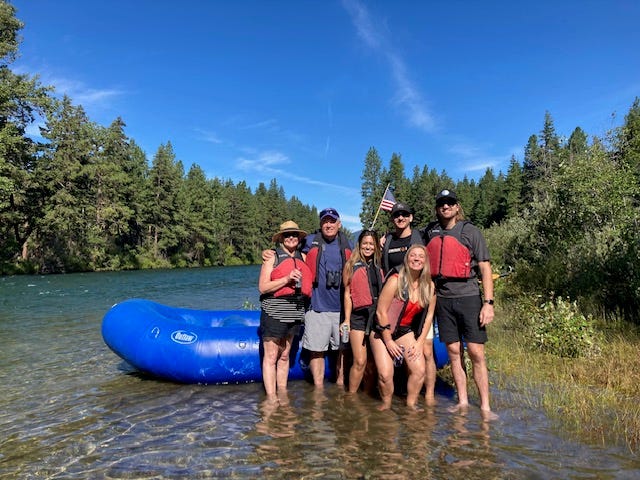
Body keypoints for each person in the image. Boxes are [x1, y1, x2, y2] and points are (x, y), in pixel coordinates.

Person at [423, 189, 497, 418]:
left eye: (450, 203)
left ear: (457, 207)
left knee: (475, 352)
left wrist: (488, 303)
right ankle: (463, 401)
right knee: (454, 352)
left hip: (469, 297)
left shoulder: (470, 232)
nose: (445, 207)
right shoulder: (429, 232)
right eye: (441, 204)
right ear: (437, 209)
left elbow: (485, 268)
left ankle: (485, 406)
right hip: (444, 299)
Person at [381, 201, 437, 405]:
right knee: (391, 364)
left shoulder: (420, 237)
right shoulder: (387, 240)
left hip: (418, 304)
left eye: (405, 215)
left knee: (426, 350)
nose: (401, 218)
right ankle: (395, 394)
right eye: (397, 215)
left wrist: (420, 339)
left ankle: (428, 396)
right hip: (394, 307)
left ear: (411, 217)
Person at [371, 244, 436, 410]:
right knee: (385, 375)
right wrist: (388, 341)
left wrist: (420, 342)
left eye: (421, 256)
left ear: (426, 261)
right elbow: (380, 312)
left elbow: (429, 316)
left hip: (404, 330)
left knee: (419, 369)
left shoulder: (429, 286)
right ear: (407, 259)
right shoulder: (396, 281)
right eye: (413, 255)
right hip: (382, 330)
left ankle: (411, 406)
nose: (416, 259)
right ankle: (386, 405)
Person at [258, 220, 312, 400]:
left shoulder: (303, 258)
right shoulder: (272, 257)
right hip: (274, 311)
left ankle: (282, 394)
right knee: (271, 355)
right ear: (281, 238)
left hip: (294, 311)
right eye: (287, 234)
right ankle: (272, 398)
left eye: (294, 234)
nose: (291, 237)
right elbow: (263, 287)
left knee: (285, 355)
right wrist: (286, 280)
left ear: (299, 238)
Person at [301, 207, 352, 388]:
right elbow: (288, 246)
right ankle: (319, 389)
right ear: (320, 224)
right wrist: (270, 253)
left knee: (343, 350)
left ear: (339, 224)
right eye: (325, 221)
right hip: (317, 307)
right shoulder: (309, 241)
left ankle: (340, 384)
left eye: (332, 221)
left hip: (341, 310)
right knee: (316, 351)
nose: (328, 225)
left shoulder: (349, 245)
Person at [342, 229, 383, 393]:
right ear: (359, 245)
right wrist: (346, 320)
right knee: (360, 361)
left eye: (371, 244)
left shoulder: (379, 265)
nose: (368, 247)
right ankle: (351, 397)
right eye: (365, 243)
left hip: (376, 318)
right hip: (358, 318)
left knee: (373, 362)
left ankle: (367, 395)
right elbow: (347, 294)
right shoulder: (351, 265)